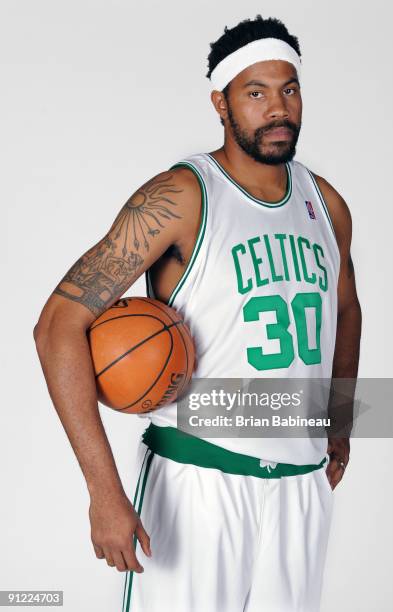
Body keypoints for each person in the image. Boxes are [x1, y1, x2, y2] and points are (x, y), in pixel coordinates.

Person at [33, 14, 362, 612]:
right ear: (221, 102)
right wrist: (103, 489)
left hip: (299, 490)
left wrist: (339, 419)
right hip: (199, 481)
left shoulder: (326, 203)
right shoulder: (182, 196)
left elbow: (346, 308)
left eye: (288, 89)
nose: (277, 108)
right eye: (256, 93)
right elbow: (58, 324)